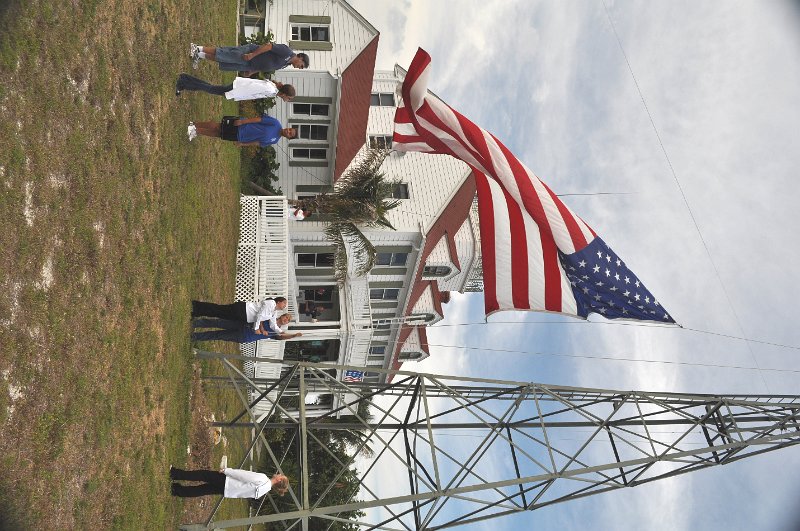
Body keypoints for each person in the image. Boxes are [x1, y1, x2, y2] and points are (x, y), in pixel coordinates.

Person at [190, 41, 309, 75]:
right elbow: (268, 46)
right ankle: (198, 48)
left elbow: (266, 66)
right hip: (250, 54)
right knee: (224, 54)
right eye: (301, 66)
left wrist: (252, 71)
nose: (299, 67)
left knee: (223, 60)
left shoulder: (285, 64)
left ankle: (199, 55)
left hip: (249, 65)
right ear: (301, 58)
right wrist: (252, 54)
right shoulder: (287, 52)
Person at [170, 466, 289, 499]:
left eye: (280, 475)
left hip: (228, 481)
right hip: (229, 491)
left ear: (279, 480)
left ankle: (175, 474)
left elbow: (244, 476)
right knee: (203, 490)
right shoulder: (264, 491)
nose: (278, 474)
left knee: (203, 475)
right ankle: (177, 490)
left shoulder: (263, 479)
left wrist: (227, 471)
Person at [187, 114, 296, 146]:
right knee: (217, 126)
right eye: (290, 129)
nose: (288, 131)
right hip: (241, 126)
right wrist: (243, 122)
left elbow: (258, 142)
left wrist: (243, 144)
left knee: (218, 134)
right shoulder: (275, 123)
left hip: (240, 137)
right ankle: (194, 124)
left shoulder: (275, 140)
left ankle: (197, 131)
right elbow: (258, 119)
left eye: (290, 133)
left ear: (289, 138)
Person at [175, 73, 296, 101]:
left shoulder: (273, 91)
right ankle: (182, 82)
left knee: (210, 88)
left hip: (237, 88)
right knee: (210, 89)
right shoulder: (270, 89)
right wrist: (231, 93)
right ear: (284, 94)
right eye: (288, 98)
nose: (287, 100)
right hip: (236, 89)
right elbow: (249, 89)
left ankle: (185, 78)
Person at [191, 297, 287, 332]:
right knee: (218, 309)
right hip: (242, 310)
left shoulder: (274, 312)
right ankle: (197, 306)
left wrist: (281, 332)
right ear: (278, 301)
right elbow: (260, 316)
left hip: (243, 316)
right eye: (284, 303)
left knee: (219, 314)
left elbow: (273, 324)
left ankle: (198, 312)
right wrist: (256, 328)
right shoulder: (271, 303)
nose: (284, 306)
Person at [192, 314, 302, 343]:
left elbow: (281, 337)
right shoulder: (271, 315)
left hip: (245, 336)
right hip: (242, 324)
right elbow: (260, 315)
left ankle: (196, 337)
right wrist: (262, 327)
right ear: (282, 316)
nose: (286, 319)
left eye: (288, 320)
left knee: (219, 335)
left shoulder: (276, 331)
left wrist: (293, 336)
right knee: (219, 322)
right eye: (286, 317)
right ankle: (197, 323)